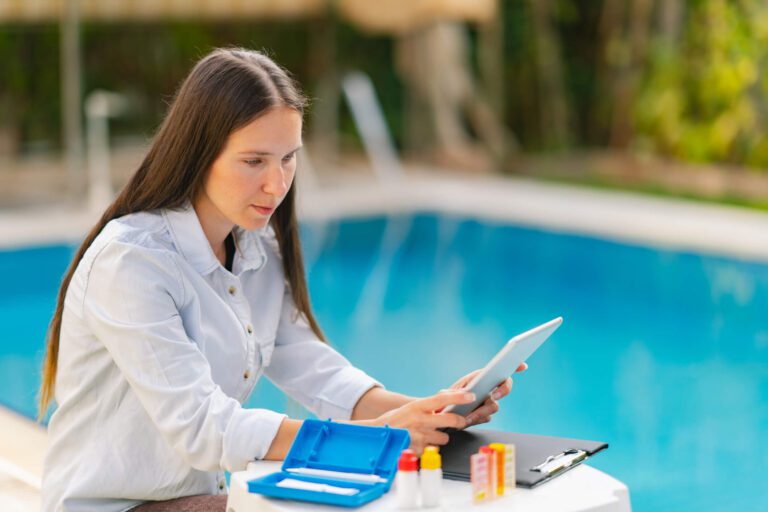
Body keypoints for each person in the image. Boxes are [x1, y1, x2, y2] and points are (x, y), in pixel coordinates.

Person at [38, 48, 520, 512]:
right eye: (254, 161)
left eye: (288, 158)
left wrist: (431, 413)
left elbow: (316, 370)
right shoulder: (133, 262)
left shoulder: (256, 248)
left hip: (194, 500)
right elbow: (205, 430)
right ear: (198, 153)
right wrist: (382, 436)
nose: (277, 183)